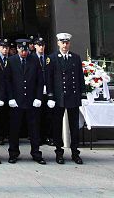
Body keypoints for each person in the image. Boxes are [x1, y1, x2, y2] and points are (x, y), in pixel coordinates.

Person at [4, 39, 46, 164]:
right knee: (14, 129)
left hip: (31, 100)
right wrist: (10, 98)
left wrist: (39, 97)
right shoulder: (11, 61)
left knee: (34, 129)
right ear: (17, 49)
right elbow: (7, 81)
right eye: (21, 50)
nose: (24, 52)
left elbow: (40, 81)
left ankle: (36, 153)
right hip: (16, 101)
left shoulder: (34, 60)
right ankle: (13, 153)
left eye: (25, 50)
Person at [47, 32, 85, 165]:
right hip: (59, 98)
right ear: (58, 43)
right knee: (57, 126)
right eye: (62, 43)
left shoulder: (75, 58)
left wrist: (83, 94)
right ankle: (59, 152)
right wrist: (50, 96)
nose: (65, 45)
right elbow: (49, 79)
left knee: (74, 126)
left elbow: (80, 77)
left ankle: (75, 152)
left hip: (73, 97)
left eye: (67, 43)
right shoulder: (52, 58)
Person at [34, 37, 53, 145]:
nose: (41, 47)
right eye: (39, 45)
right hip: (36, 91)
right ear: (35, 46)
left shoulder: (49, 59)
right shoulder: (31, 58)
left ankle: (48, 136)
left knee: (49, 115)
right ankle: (38, 138)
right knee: (37, 116)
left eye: (42, 45)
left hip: (48, 90)